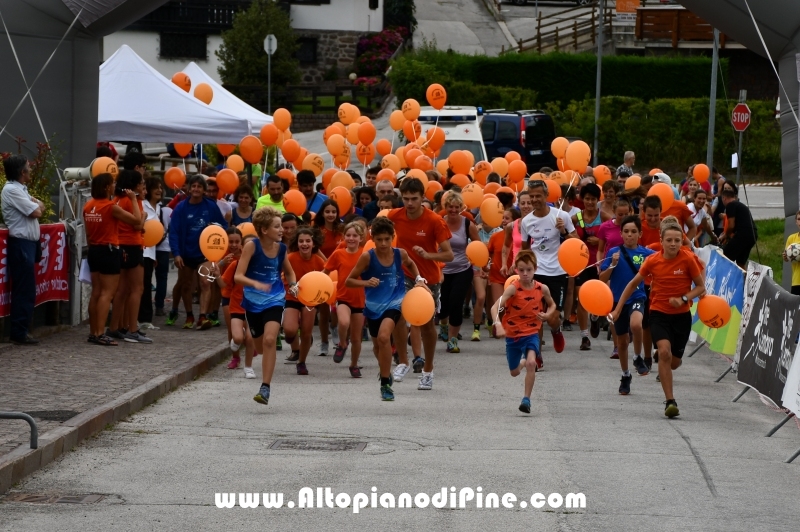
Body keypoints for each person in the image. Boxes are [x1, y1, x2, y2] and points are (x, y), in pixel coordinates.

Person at [610, 216, 705, 418]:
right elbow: (632, 284)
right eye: (669, 240)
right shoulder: (652, 261)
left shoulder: (687, 259)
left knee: (674, 362)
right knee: (664, 352)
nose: (673, 244)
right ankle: (670, 401)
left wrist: (684, 298)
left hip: (681, 316)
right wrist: (618, 309)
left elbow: (700, 286)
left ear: (682, 241)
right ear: (661, 241)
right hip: (659, 314)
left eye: (677, 240)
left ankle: (664, 360)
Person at [346, 217, 428, 401]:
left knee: (384, 337)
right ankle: (385, 371)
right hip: (374, 307)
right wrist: (366, 282)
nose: (383, 243)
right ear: (372, 238)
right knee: (378, 346)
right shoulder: (367, 257)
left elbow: (411, 265)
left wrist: (419, 279)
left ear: (393, 237)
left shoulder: (400, 254)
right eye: (379, 239)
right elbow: (349, 281)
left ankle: (385, 385)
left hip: (396, 302)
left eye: (387, 239)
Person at [388, 177, 454, 389]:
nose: (409, 203)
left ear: (422, 197)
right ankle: (404, 362)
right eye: (405, 198)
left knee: (425, 325)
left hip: (428, 278)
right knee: (397, 314)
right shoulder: (394, 216)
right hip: (402, 275)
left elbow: (449, 255)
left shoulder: (434, 221)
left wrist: (427, 255)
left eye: (414, 199)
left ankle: (428, 369)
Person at [235, 206, 298, 406]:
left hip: (275, 299)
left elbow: (289, 272)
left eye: (281, 227)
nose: (282, 230)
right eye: (277, 227)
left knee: (271, 340)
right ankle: (263, 363)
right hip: (253, 303)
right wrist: (254, 283)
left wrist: (294, 285)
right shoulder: (251, 247)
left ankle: (265, 387)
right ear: (264, 230)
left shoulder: (281, 249)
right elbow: (238, 276)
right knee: (262, 346)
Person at [491, 250, 558, 414]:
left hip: (531, 334)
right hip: (513, 335)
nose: (525, 273)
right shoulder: (513, 289)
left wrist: (548, 315)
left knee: (531, 363)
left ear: (535, 268)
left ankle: (526, 400)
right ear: (516, 270)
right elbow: (495, 307)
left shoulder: (542, 289)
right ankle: (521, 362)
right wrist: (497, 323)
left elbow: (553, 305)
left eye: (528, 269)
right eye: (521, 270)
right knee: (514, 372)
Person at [83, 173, 141, 345]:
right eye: (113, 183)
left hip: (94, 249)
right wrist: (133, 200)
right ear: (107, 187)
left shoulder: (88, 206)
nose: (115, 185)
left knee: (96, 292)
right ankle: (100, 333)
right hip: (109, 250)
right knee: (107, 294)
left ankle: (93, 332)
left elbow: (87, 233)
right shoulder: (110, 207)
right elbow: (136, 221)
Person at [600, 216, 655, 395]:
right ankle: (625, 375)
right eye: (626, 231)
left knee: (637, 324)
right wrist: (613, 265)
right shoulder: (614, 252)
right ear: (621, 233)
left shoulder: (646, 254)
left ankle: (638, 356)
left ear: (640, 234)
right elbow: (602, 279)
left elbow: (662, 265)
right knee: (622, 342)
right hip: (616, 302)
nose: (630, 235)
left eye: (633, 232)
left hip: (638, 297)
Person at [519, 180, 574, 357]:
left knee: (551, 318)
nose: (535, 199)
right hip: (537, 272)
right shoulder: (526, 221)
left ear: (546, 195)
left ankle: (556, 330)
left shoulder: (561, 216)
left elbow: (577, 242)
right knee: (536, 317)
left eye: (538, 196)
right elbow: (525, 248)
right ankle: (537, 357)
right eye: (531, 196)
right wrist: (521, 268)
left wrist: (564, 231)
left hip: (558, 272)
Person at [167, 175, 228, 329]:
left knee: (205, 282)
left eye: (199, 187)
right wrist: (176, 253)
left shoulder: (211, 206)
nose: (196, 189)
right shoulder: (181, 207)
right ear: (188, 188)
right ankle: (189, 315)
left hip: (205, 254)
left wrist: (217, 238)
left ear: (203, 190)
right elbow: (173, 231)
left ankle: (203, 316)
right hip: (186, 253)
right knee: (186, 286)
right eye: (193, 186)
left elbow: (223, 226)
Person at [0, 155, 43, 344]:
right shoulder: (11, 190)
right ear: (21, 172)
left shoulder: (21, 189)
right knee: (24, 289)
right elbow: (36, 211)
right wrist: (36, 204)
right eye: (28, 167)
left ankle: (22, 329)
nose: (30, 170)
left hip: (29, 243)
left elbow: (38, 207)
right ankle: (19, 331)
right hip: (21, 243)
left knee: (27, 288)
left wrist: (36, 203)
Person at [107, 169, 150, 343]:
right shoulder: (133, 200)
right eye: (140, 182)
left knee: (122, 290)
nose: (142, 185)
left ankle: (115, 327)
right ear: (133, 185)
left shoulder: (117, 199)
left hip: (120, 244)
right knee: (137, 289)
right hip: (132, 245)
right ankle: (133, 328)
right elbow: (138, 224)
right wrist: (145, 215)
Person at [437, 191, 480, 353]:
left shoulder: (468, 224)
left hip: (462, 269)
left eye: (456, 207)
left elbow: (478, 246)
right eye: (450, 207)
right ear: (445, 207)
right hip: (442, 270)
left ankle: (452, 340)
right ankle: (443, 325)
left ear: (461, 208)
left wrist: (479, 265)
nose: (453, 210)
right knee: (443, 305)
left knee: (456, 303)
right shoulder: (439, 223)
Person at [324, 221, 367, 377]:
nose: (351, 238)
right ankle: (342, 343)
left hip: (360, 301)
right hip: (342, 297)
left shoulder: (365, 254)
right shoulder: (338, 254)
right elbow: (325, 271)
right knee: (343, 322)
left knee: (357, 338)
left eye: (355, 235)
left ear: (361, 237)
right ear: (343, 237)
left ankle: (354, 364)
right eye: (348, 235)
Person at [283, 227, 325, 372]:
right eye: (301, 241)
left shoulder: (319, 261)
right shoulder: (290, 258)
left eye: (308, 241)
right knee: (289, 329)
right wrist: (290, 286)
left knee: (307, 332)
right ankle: (290, 334)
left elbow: (325, 280)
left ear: (314, 244)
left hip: (310, 300)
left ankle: (301, 362)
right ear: (297, 243)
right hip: (292, 297)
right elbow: (283, 276)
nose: (305, 244)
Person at [571, 183, 607, 349]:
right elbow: (567, 236)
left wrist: (600, 241)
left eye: (593, 199)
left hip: (600, 263)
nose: (590, 202)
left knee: (598, 298)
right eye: (587, 199)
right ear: (582, 199)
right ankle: (584, 337)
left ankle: (595, 317)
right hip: (581, 264)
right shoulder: (576, 218)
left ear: (597, 200)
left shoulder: (605, 217)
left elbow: (614, 237)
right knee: (582, 299)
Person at [139, 177, 166, 327]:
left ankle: (145, 318)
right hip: (142, 251)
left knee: (148, 284)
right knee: (143, 285)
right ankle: (143, 318)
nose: (159, 190)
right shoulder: (143, 206)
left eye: (161, 187)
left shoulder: (159, 208)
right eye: (156, 187)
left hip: (151, 252)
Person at [487, 209, 518, 337]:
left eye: (507, 218)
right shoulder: (495, 237)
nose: (504, 221)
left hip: (515, 277)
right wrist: (485, 266)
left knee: (514, 307)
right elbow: (488, 255)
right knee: (500, 306)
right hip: (497, 276)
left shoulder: (519, 236)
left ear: (514, 221)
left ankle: (513, 332)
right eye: (503, 218)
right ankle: (500, 327)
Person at [719, 188, 757, 267]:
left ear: (724, 198)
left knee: (725, 257)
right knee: (740, 262)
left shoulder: (730, 205)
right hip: (753, 235)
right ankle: (744, 277)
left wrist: (725, 235)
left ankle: (726, 277)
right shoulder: (741, 205)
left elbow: (731, 225)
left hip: (742, 234)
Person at [500, 190, 534, 274]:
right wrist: (504, 264)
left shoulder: (540, 224)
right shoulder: (511, 226)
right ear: (518, 205)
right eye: (523, 203)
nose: (526, 206)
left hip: (536, 270)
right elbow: (506, 246)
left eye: (529, 203)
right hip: (517, 270)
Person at [783, 211, 800, 295]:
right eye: (799, 219)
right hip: (796, 282)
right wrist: (785, 257)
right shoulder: (791, 238)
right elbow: (786, 258)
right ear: (796, 221)